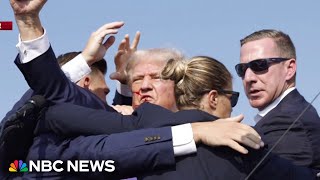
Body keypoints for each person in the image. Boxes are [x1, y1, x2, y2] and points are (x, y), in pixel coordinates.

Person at [8, 0, 263, 179]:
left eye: (155, 77)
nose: (144, 86)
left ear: (179, 81)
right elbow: (52, 95)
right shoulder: (93, 123)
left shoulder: (223, 133)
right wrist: (29, 23)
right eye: (137, 79)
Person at [236, 29, 320, 169]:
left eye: (259, 65)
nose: (248, 78)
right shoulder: (289, 115)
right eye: (242, 69)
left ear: (289, 69)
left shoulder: (288, 122)